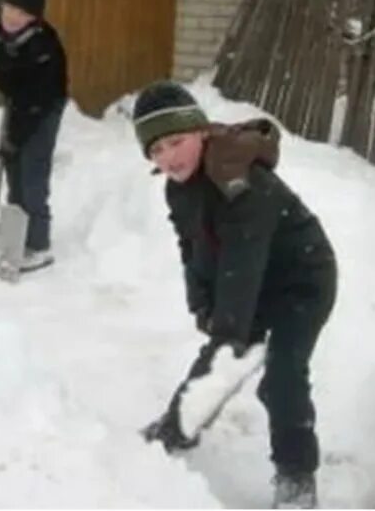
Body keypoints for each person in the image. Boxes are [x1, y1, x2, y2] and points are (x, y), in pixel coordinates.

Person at [133, 81, 337, 509]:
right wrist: (202, 302)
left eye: (176, 141)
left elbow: (242, 259)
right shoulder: (180, 188)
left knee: (282, 372)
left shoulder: (240, 182)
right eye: (156, 151)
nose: (168, 157)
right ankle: (178, 426)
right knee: (224, 353)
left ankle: (296, 477)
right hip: (253, 277)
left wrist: (228, 326)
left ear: (201, 132)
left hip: (301, 279)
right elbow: (192, 247)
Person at [0, 0, 68, 272]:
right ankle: (17, 231)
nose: (13, 17)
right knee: (13, 169)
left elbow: (35, 99)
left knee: (32, 172)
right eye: (9, 8)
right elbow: (5, 78)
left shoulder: (42, 46)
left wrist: (15, 138)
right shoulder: (0, 35)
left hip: (42, 109)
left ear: (34, 18)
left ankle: (39, 245)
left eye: (22, 13)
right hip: (19, 103)